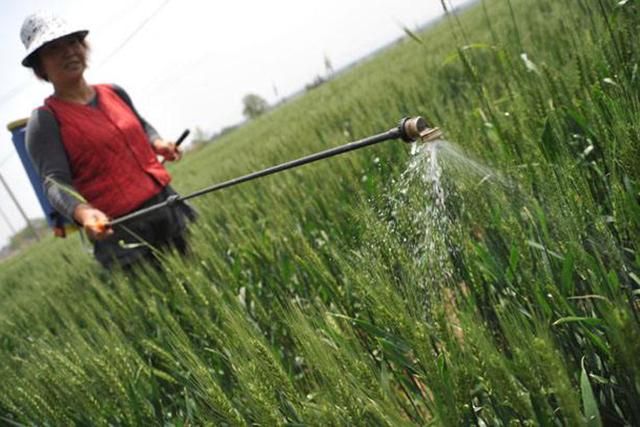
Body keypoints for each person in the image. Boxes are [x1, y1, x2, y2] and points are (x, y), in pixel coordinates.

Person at [20, 11, 196, 269]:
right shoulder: (45, 121)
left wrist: (158, 143)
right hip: (120, 227)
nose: (68, 52)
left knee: (194, 273)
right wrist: (83, 213)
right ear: (40, 67)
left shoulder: (113, 92)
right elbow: (54, 182)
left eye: (73, 42)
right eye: (54, 49)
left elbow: (142, 126)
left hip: (164, 203)